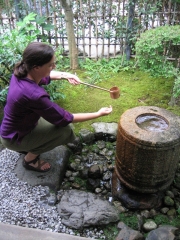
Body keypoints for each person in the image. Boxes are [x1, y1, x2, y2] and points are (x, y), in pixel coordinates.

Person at [0, 42, 112, 172]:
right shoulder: (34, 95)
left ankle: (30, 145)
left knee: (55, 124)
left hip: (15, 127)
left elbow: (47, 76)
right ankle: (30, 160)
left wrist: (66, 75)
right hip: (15, 137)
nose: (54, 67)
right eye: (50, 65)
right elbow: (66, 118)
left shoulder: (22, 72)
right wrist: (98, 114)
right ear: (36, 67)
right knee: (65, 131)